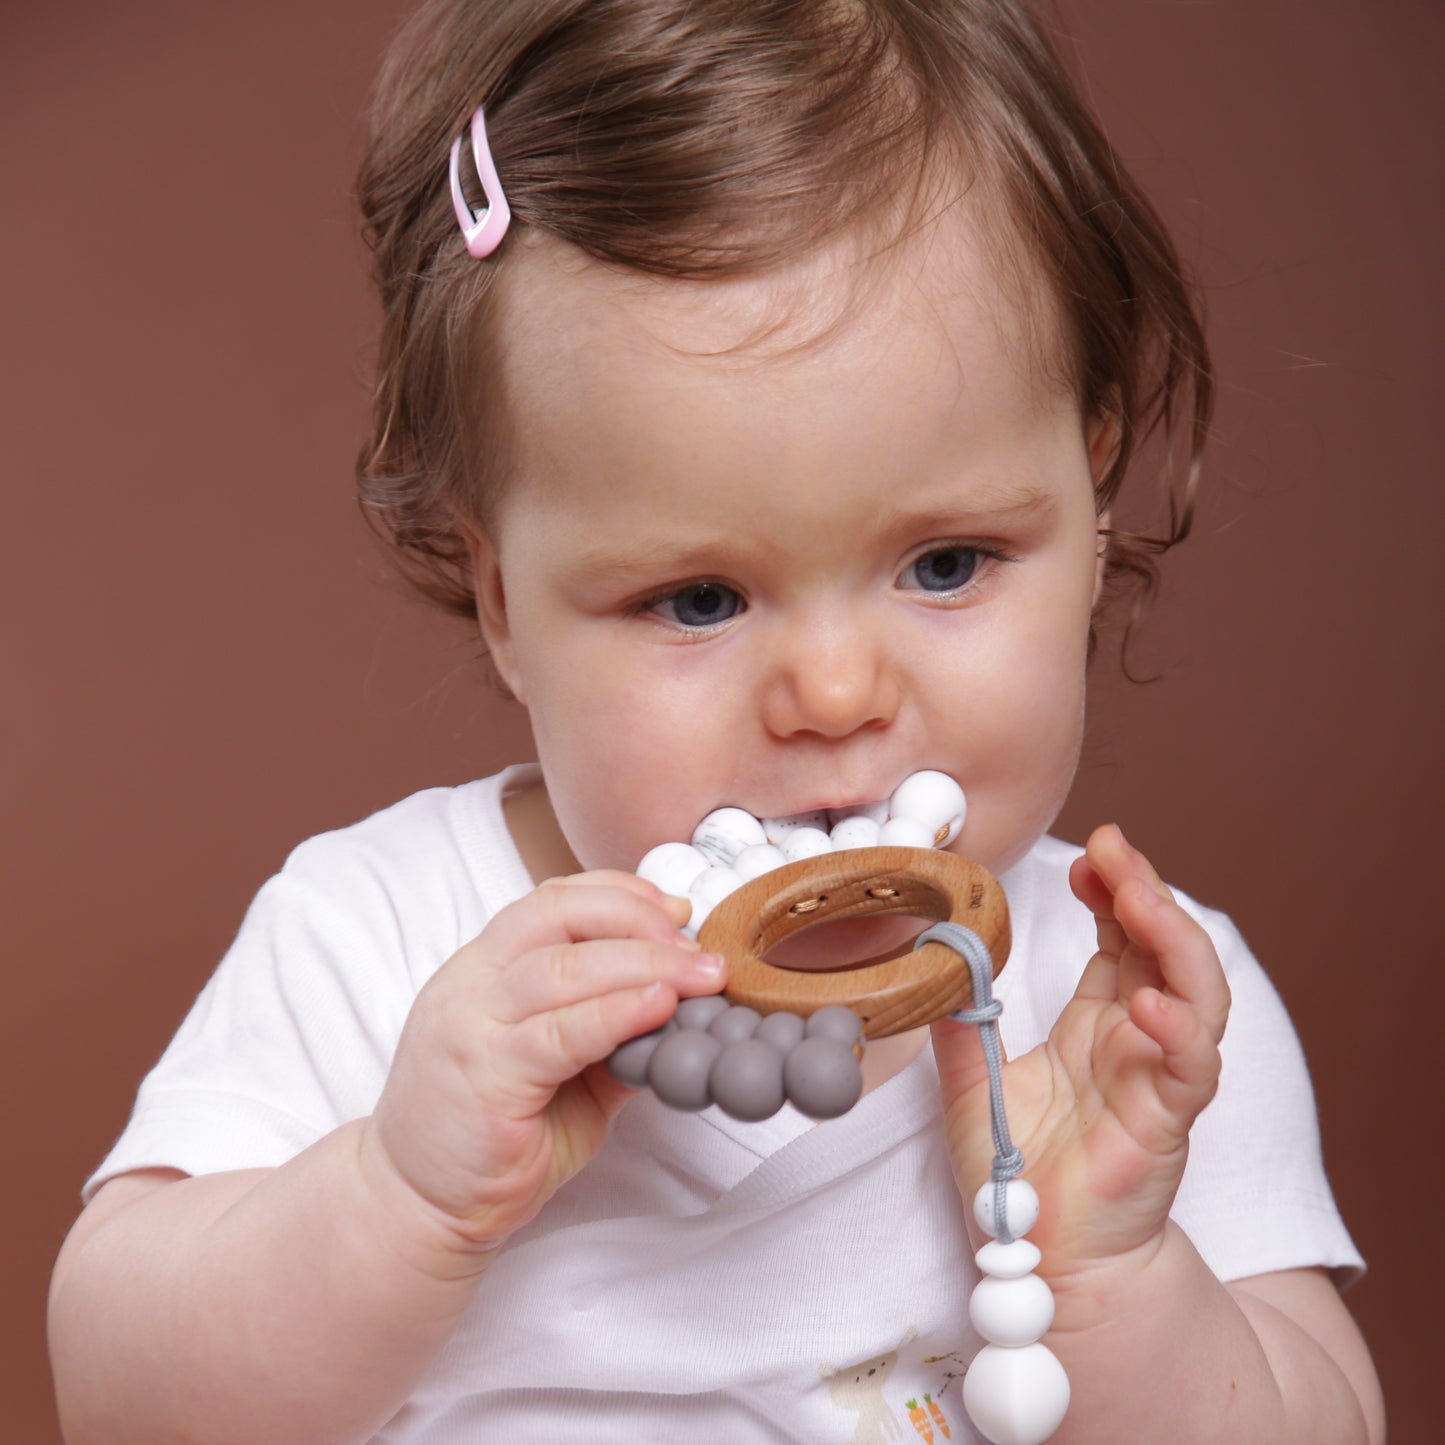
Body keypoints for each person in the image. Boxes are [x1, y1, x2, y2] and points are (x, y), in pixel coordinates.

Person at [47, 1, 1385, 1441]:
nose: (829, 694)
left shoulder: (1131, 1013)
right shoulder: (379, 937)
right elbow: (124, 1405)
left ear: (1092, 497)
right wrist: (392, 1193)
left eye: (945, 564)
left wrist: (1112, 1267)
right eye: (695, 599)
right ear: (503, 599)